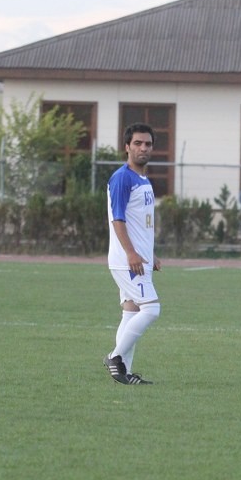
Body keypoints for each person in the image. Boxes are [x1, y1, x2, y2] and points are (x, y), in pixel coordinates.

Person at [103, 123, 160, 385]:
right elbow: (118, 219)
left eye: (147, 144)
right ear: (127, 147)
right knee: (152, 309)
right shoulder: (122, 178)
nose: (143, 148)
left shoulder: (143, 179)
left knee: (131, 312)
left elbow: (142, 223)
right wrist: (131, 253)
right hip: (128, 261)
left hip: (139, 259)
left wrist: (150, 253)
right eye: (137, 143)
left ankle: (123, 372)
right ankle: (115, 357)